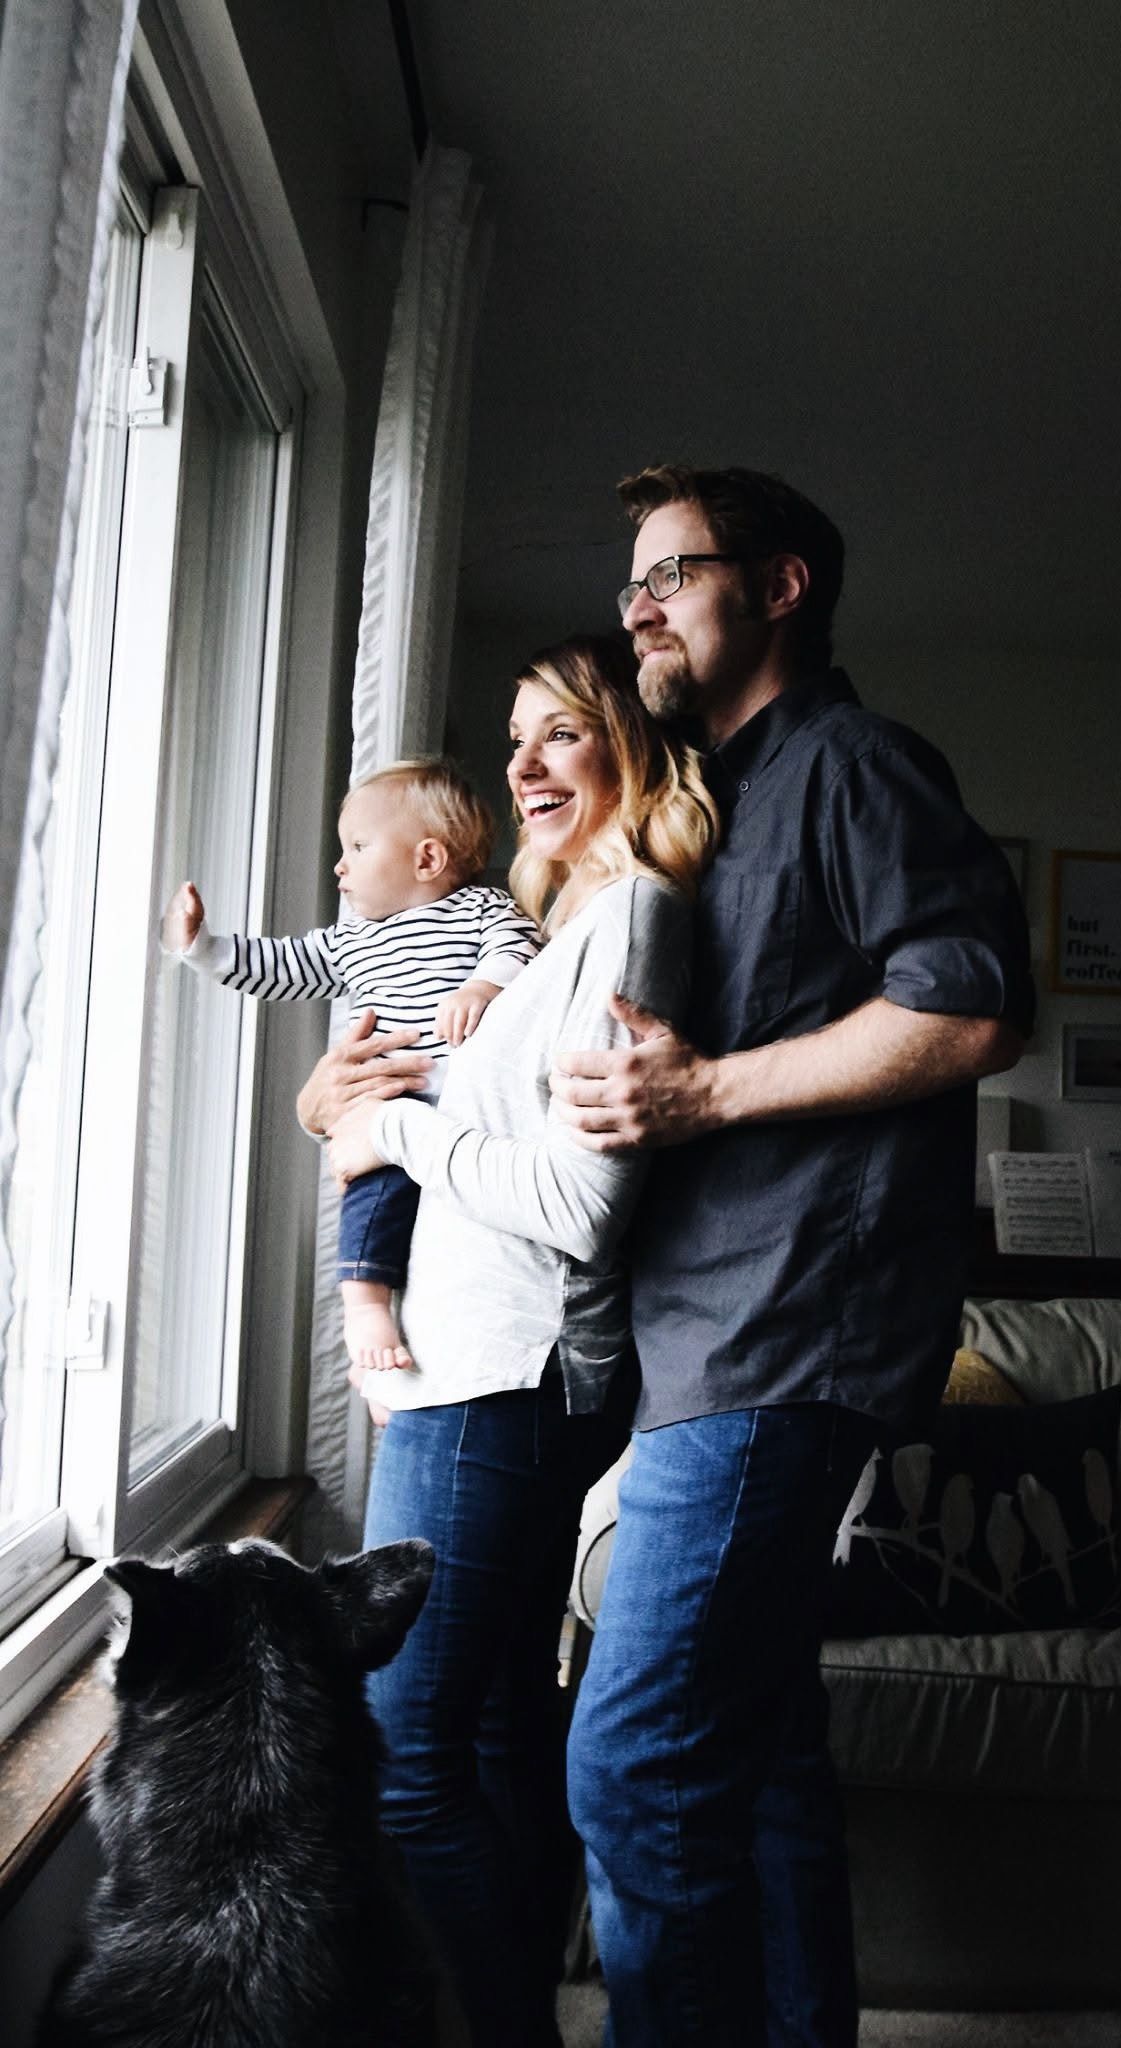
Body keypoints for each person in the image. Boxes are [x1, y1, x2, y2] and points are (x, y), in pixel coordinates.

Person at [550, 466, 1037, 2048]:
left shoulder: (855, 765)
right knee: (756, 1756)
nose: (634, 607)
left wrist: (697, 1092)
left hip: (782, 1336)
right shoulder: (704, 800)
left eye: (669, 571)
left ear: (780, 587)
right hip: (698, 1337)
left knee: (628, 1761)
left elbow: (969, 1008)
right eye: (626, 582)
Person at [311, 635, 718, 2048]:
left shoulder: (639, 918)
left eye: (562, 733)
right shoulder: (558, 935)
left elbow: (574, 1203)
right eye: (513, 739)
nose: (526, 766)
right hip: (473, 1379)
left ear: (630, 745)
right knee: (487, 1738)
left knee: (402, 1758)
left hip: (506, 1381)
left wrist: (395, 1129)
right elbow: (462, 1122)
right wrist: (364, 1099)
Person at [161, 757, 540, 1378]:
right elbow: (280, 967)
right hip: (393, 1109)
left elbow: (518, 944)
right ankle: (365, 1308)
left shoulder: (480, 907)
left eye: (358, 847)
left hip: (469, 1111)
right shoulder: (351, 940)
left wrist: (483, 987)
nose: (340, 865)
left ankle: (409, 1347)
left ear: (427, 860)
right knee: (374, 1197)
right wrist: (202, 948)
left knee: (454, 1231)